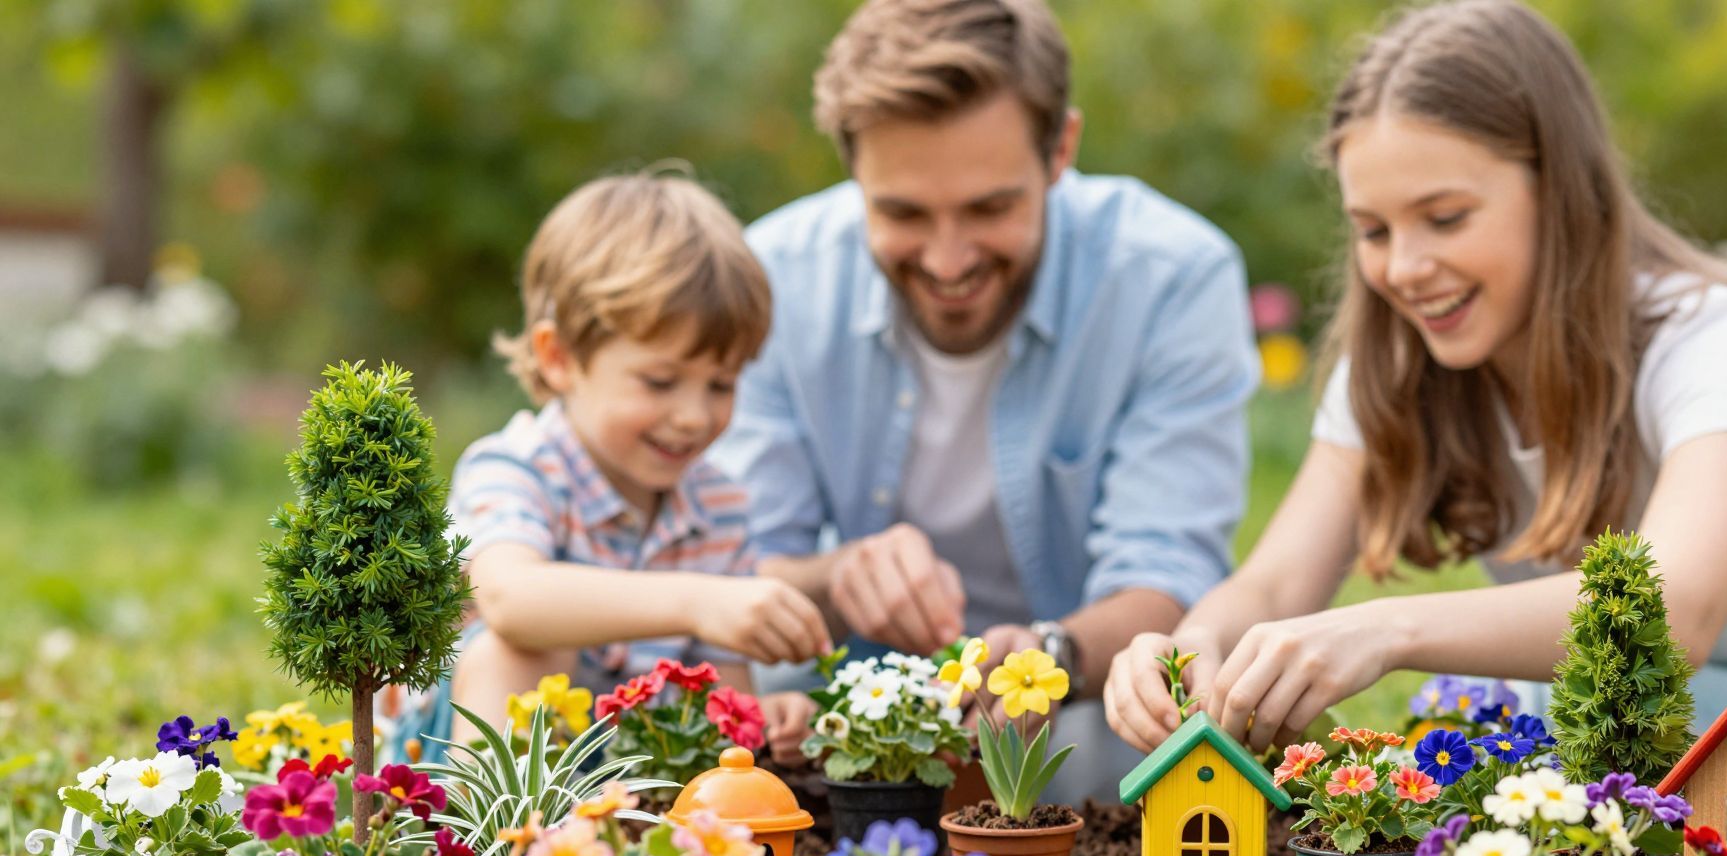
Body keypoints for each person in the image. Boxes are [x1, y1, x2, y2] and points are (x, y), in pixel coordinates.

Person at [1103, 0, 1727, 799]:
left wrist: (1388, 629)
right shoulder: (1401, 367)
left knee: (1528, 737)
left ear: (1557, 189)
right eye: (1373, 231)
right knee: (1499, 740)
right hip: (1631, 722)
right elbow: (1275, 581)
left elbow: (1671, 618)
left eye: (1445, 218)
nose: (1404, 267)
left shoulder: (1719, 337)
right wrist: (1189, 652)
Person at [712, 0, 1261, 802]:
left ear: (1060, 149)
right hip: (841, 750)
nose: (947, 258)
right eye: (901, 212)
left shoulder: (1172, 278)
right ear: (853, 171)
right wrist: (841, 575)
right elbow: (729, 566)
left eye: (989, 208)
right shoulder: (772, 280)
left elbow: (1166, 575)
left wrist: (1047, 657)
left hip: (1087, 746)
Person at [393, 168, 831, 761]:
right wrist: (697, 600)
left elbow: (724, 688)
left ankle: (668, 852)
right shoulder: (516, 468)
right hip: (457, 757)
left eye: (721, 385)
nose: (694, 417)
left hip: (623, 778)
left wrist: (765, 719)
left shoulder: (719, 506)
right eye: (660, 381)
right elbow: (512, 600)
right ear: (559, 358)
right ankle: (492, 847)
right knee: (521, 654)